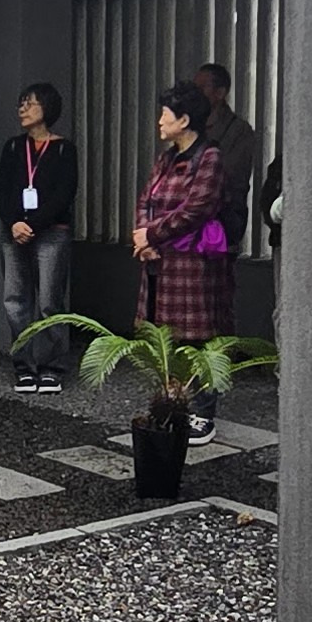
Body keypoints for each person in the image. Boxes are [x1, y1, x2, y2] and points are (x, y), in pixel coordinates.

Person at [134, 85, 235, 444]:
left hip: (193, 263)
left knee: (199, 337)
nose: (160, 122)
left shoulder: (209, 157)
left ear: (185, 120)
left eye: (165, 115)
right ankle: (173, 406)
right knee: (165, 337)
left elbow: (197, 208)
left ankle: (203, 413)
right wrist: (142, 237)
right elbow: (145, 199)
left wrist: (152, 234)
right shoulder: (166, 158)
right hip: (160, 261)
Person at [0, 83, 79, 393]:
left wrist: (32, 223)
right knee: (15, 301)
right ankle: (23, 366)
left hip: (52, 232)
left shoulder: (64, 149)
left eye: (30, 103)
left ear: (47, 108)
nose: (23, 109)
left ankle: (51, 367)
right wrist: (14, 223)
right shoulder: (12, 147)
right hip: (14, 232)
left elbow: (64, 193)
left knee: (49, 302)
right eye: (21, 103)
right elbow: (2, 191)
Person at [193, 62, 259, 250]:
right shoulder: (190, 125)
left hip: (222, 217)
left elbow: (232, 175)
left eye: (202, 88)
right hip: (189, 219)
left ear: (220, 93)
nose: (196, 94)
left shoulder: (239, 130)